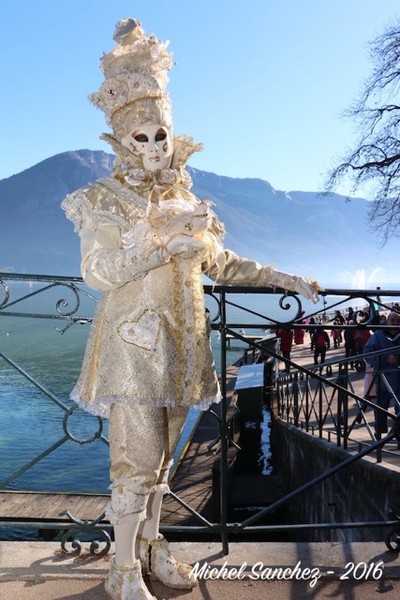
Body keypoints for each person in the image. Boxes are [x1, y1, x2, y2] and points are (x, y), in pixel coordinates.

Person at [61, 18, 322, 600]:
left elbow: (221, 262)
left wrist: (285, 277)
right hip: (131, 350)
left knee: (160, 467)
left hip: (185, 347)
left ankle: (152, 553)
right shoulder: (100, 200)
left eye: (161, 136)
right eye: (141, 137)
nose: (153, 147)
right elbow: (97, 272)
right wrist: (156, 246)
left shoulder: (184, 198)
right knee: (133, 463)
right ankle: (120, 570)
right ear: (121, 138)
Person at [364, 311, 400, 435]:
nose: (395, 324)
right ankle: (379, 436)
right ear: (387, 321)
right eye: (393, 321)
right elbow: (368, 353)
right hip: (383, 378)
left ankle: (397, 434)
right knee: (380, 409)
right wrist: (385, 359)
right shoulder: (378, 335)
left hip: (399, 379)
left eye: (398, 321)